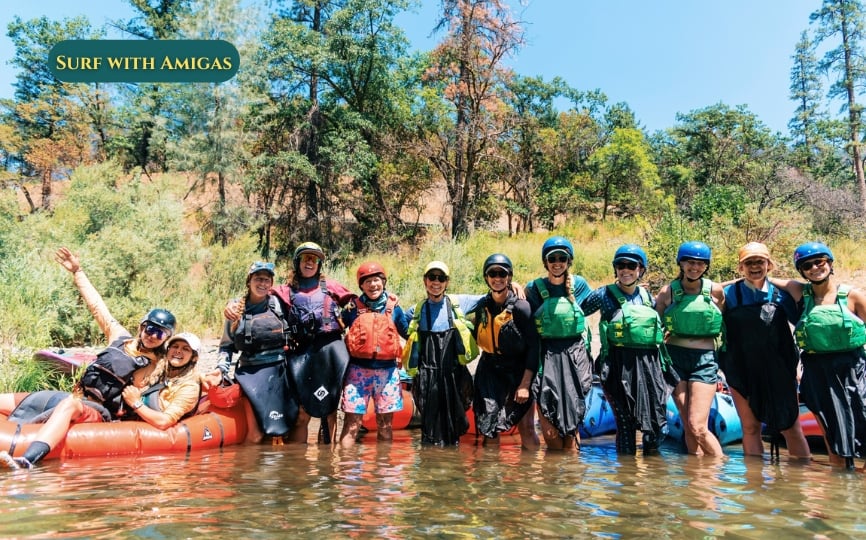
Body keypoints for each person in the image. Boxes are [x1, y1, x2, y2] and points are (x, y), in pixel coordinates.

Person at [0, 247, 179, 468]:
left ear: (166, 338)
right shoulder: (119, 336)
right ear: (141, 326)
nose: (152, 335)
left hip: (98, 412)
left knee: (70, 406)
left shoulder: (156, 367)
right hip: (74, 395)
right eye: (150, 328)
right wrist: (77, 271)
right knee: (4, 399)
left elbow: (179, 378)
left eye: (160, 333)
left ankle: (27, 461)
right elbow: (97, 307)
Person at [770, 242, 866, 469]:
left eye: (819, 262)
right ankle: (841, 485)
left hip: (853, 368)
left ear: (829, 263)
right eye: (807, 265)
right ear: (801, 271)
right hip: (817, 371)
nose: (814, 268)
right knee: (832, 435)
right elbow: (766, 278)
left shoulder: (853, 296)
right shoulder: (799, 293)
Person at [721, 242, 810, 460]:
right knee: (750, 427)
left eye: (759, 262)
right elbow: (703, 288)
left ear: (769, 264)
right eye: (748, 263)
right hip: (740, 369)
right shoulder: (727, 295)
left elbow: (806, 323)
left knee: (791, 426)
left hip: (779, 369)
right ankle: (755, 487)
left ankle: (800, 485)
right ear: (741, 267)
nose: (754, 267)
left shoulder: (783, 295)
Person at [582, 244, 670, 456]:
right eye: (620, 265)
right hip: (615, 366)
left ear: (641, 269)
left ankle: (653, 478)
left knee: (654, 426)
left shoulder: (648, 297)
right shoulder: (603, 294)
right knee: (625, 423)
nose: (625, 270)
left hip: (648, 366)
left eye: (631, 265)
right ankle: (626, 481)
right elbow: (575, 312)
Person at [270, 242, 355, 444]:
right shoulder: (284, 291)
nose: (310, 262)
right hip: (302, 353)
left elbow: (359, 305)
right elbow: (255, 295)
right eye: (305, 258)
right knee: (302, 412)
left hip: (331, 351)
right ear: (297, 262)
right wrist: (233, 305)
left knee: (330, 410)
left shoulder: (332, 287)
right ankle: (299, 469)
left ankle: (327, 466)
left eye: (314, 259)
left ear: (319, 264)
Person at [208, 261, 297, 443]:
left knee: (279, 433)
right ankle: (245, 470)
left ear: (271, 284)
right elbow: (226, 346)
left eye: (266, 280)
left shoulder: (279, 304)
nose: (262, 283)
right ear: (249, 281)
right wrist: (221, 369)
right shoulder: (234, 310)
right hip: (250, 375)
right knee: (255, 435)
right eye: (258, 279)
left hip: (279, 373)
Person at [654, 241, 725, 457]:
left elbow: (725, 323)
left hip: (704, 360)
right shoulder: (668, 292)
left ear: (706, 266)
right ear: (681, 264)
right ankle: (697, 478)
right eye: (690, 263)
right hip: (675, 360)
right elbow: (655, 325)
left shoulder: (716, 291)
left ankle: (719, 471)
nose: (694, 267)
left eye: (700, 264)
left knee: (698, 426)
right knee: (688, 425)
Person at [525, 236, 593, 451]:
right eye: (552, 258)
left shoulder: (580, 286)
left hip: (574, 356)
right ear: (545, 262)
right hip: (545, 357)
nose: (557, 262)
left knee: (571, 433)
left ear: (568, 261)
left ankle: (572, 478)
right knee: (551, 433)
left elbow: (598, 304)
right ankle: (551, 480)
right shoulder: (534, 288)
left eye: (561, 258)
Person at [468, 254, 540, 449]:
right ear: (486, 277)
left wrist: (525, 384)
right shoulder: (481, 306)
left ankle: (530, 475)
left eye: (502, 273)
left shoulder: (521, 307)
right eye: (493, 273)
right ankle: (491, 477)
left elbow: (534, 348)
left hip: (518, 370)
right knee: (488, 428)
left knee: (526, 427)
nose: (497, 278)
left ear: (509, 276)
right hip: (489, 369)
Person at [403, 261, 479, 446]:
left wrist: (514, 285)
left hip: (454, 375)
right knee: (429, 429)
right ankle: (431, 464)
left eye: (441, 278)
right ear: (425, 281)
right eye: (432, 277)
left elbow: (491, 296)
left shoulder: (459, 303)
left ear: (447, 282)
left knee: (455, 425)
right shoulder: (415, 311)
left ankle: (451, 466)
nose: (436, 282)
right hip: (427, 378)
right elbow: (400, 326)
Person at [338, 261, 409, 447]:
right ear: (361, 285)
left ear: (383, 282)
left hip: (387, 374)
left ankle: (384, 472)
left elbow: (408, 333)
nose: (372, 285)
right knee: (352, 425)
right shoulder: (352, 309)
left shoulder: (394, 308)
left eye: (376, 280)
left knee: (385, 426)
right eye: (367, 281)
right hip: (357, 373)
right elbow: (334, 331)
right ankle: (347, 473)